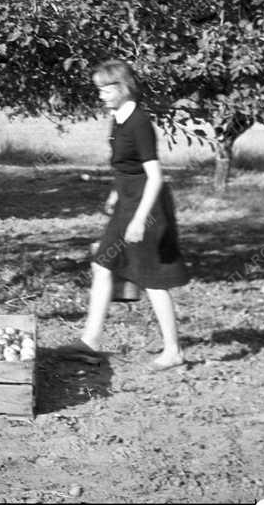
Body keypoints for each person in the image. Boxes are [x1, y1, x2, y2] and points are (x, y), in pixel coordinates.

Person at [65, 59, 189, 369]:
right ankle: (91, 341)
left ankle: (173, 350)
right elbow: (125, 166)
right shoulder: (118, 118)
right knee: (103, 264)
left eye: (107, 89)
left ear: (124, 88)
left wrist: (138, 219)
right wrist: (115, 192)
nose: (101, 95)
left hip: (148, 208)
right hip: (126, 203)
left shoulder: (139, 123)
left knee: (153, 279)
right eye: (99, 89)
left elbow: (154, 176)